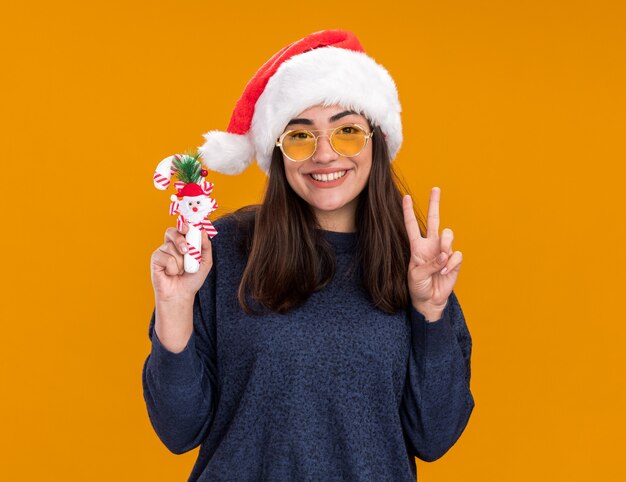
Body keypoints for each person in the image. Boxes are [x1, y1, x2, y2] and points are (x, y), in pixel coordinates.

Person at [142, 29, 474, 481]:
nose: (324, 154)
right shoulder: (222, 250)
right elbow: (179, 431)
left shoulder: (415, 263)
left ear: (375, 140)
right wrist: (174, 307)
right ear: (278, 151)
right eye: (300, 135)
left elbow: (434, 437)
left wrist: (430, 315)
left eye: (348, 131)